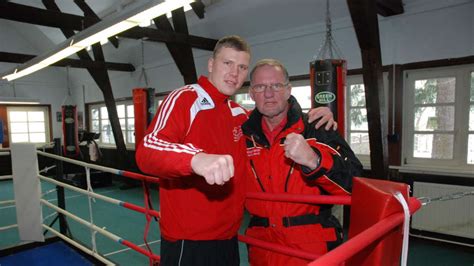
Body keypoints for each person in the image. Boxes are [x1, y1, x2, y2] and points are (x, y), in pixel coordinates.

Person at [136, 36, 336, 265]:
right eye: (227, 63)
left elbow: (273, 117)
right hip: (188, 240)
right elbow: (147, 149)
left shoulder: (238, 113)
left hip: (229, 238)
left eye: (242, 67)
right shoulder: (184, 98)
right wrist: (195, 159)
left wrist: (313, 116)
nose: (234, 73)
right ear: (211, 64)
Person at [242, 59, 363, 266]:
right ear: (252, 94)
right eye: (260, 87)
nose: (269, 93)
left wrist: (314, 161)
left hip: (310, 247)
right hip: (262, 247)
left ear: (288, 90)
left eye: (276, 85)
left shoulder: (316, 127)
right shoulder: (241, 133)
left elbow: (356, 185)